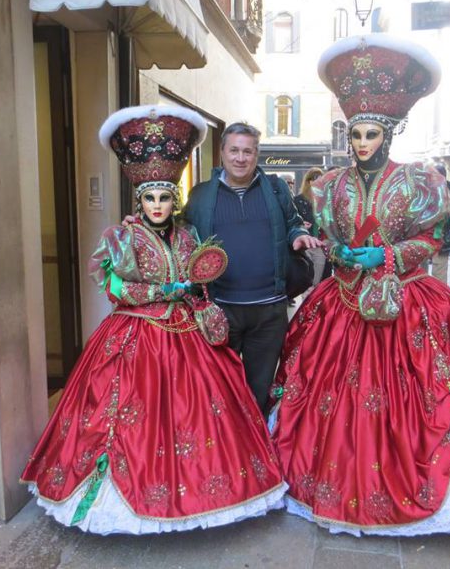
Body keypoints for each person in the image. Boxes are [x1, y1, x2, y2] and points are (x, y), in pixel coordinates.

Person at [269, 35, 450, 537]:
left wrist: (387, 255)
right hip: (342, 304)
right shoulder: (331, 186)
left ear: (388, 135)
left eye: (371, 134)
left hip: (407, 303)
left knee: (428, 393)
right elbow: (330, 235)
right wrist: (340, 251)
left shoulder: (419, 182)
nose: (362, 144)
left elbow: (431, 238)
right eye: (355, 135)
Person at [21, 106, 286, 534]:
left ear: (173, 199)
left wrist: (195, 295)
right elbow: (111, 286)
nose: (158, 205)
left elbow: (199, 275)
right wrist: (160, 292)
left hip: (187, 336)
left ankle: (199, 489)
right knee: (128, 417)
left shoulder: (187, 235)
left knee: (195, 412)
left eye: (164, 197)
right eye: (150, 198)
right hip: (134, 338)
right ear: (139, 200)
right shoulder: (121, 237)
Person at [184, 123, 322, 410]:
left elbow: (293, 222)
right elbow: (178, 236)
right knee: (220, 391)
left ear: (257, 154)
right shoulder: (200, 196)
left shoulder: (275, 188)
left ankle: (255, 450)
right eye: (234, 150)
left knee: (259, 391)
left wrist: (298, 236)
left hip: (269, 313)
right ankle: (226, 451)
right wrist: (139, 226)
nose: (240, 158)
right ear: (222, 153)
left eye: (248, 151)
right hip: (220, 310)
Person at [294, 167, 330, 287]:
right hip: (305, 244)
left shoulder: (326, 200)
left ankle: (313, 304)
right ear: (309, 181)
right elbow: (292, 221)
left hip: (320, 244)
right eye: (316, 180)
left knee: (317, 282)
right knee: (306, 282)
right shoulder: (298, 200)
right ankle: (306, 304)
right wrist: (300, 223)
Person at [430, 164, 450, 283]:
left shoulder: (446, 191)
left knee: (439, 273)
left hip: (441, 237)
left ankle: (437, 299)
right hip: (426, 237)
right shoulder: (427, 190)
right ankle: (425, 298)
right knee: (423, 273)